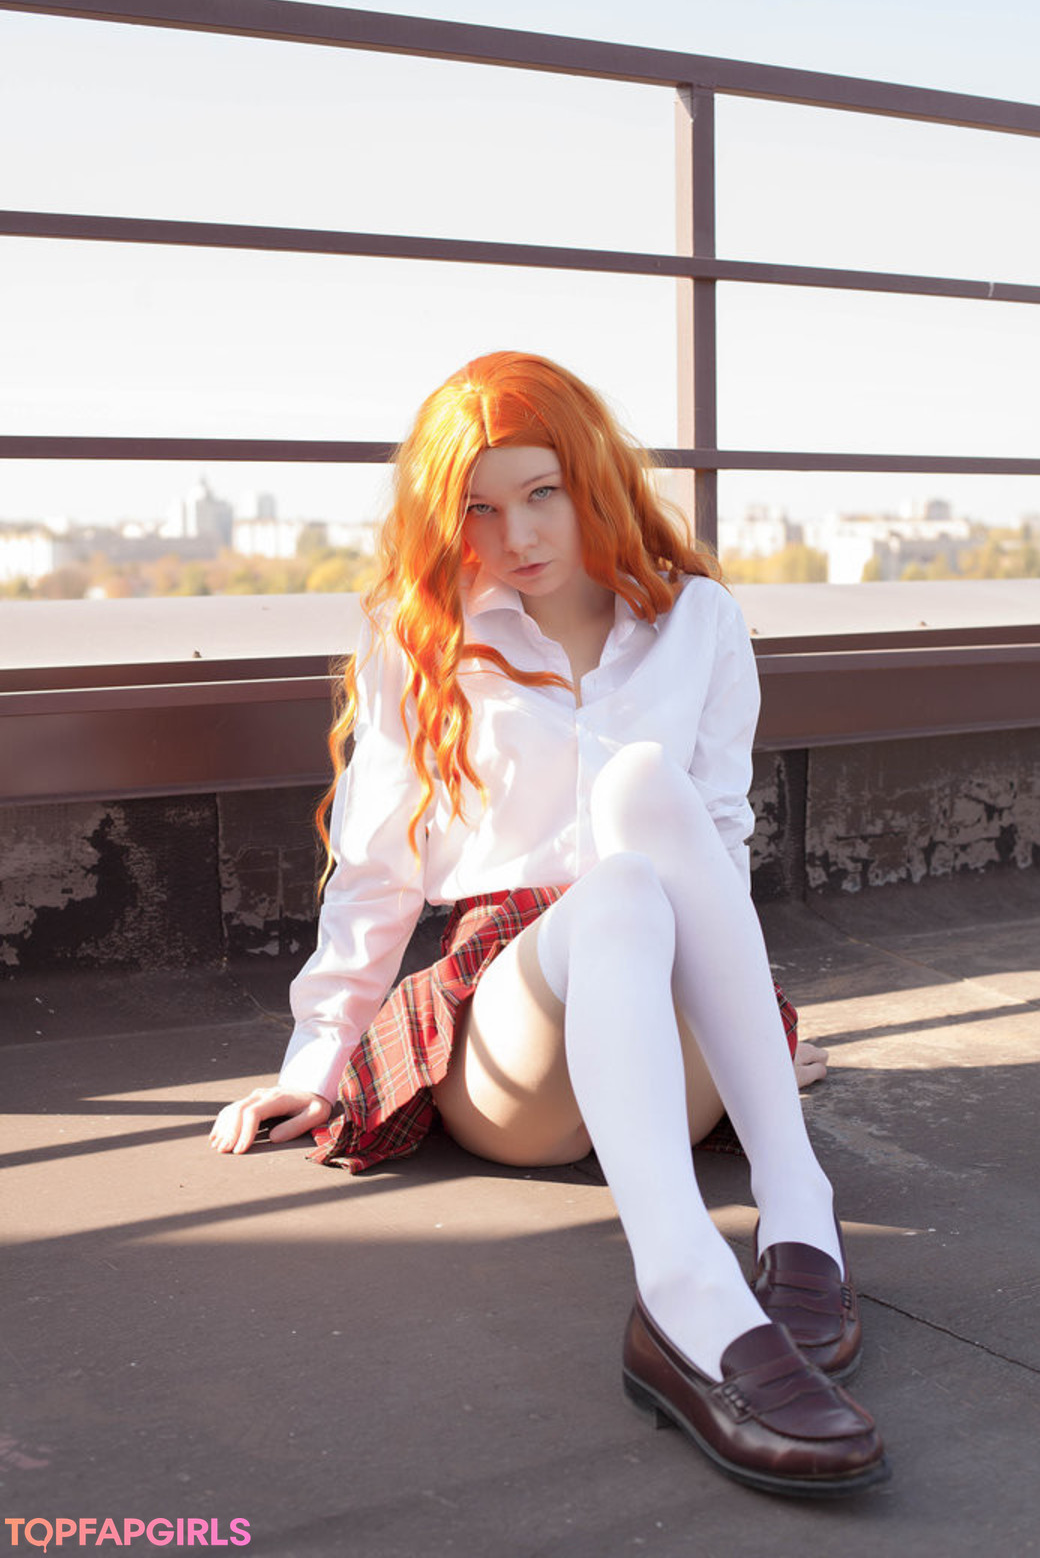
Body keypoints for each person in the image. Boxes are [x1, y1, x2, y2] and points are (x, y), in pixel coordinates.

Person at [209, 351, 888, 1497]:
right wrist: (318, 1056)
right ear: (446, 519)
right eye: (478, 508)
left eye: (542, 492)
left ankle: (797, 1201)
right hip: (512, 1025)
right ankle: (685, 1290)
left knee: (648, 800)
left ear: (594, 478)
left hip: (667, 990)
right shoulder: (422, 638)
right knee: (615, 891)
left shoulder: (701, 621)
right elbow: (376, 865)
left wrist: (748, 1036)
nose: (516, 534)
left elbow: (718, 848)